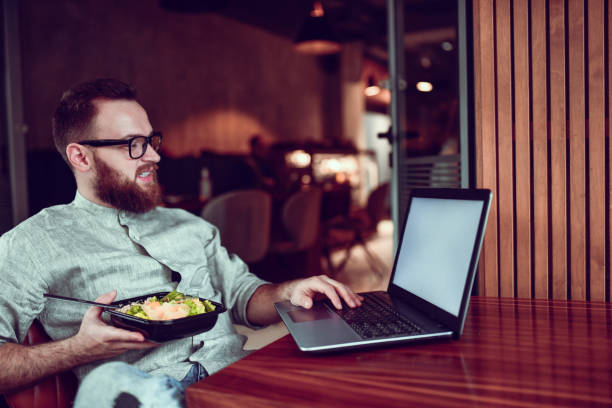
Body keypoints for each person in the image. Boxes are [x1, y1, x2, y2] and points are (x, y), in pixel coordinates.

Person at [0, 78, 362, 408]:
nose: (154, 157)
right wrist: (79, 349)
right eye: (133, 146)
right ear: (81, 156)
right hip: (147, 390)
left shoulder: (188, 225)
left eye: (151, 141)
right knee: (110, 382)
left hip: (237, 379)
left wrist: (290, 291)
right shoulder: (33, 242)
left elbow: (241, 295)